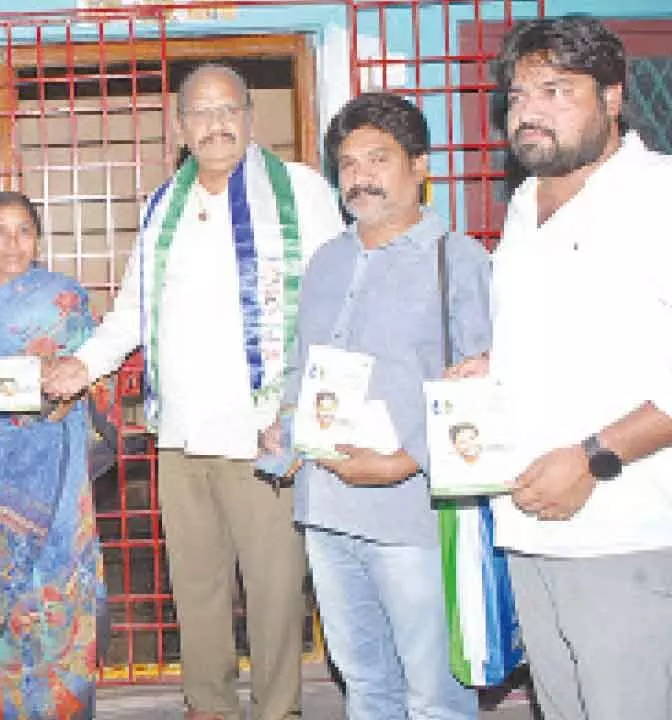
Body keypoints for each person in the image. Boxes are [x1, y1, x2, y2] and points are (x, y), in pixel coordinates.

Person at [45, 63, 344, 720]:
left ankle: (277, 711)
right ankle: (207, 708)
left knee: (273, 594)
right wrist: (80, 365)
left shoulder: (300, 192)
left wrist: (304, 412)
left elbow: (334, 306)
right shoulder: (162, 208)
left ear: (249, 117)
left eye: (227, 110)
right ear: (181, 127)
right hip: (180, 438)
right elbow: (130, 314)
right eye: (200, 114)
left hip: (266, 435)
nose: (215, 125)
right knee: (197, 592)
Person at [447, 17, 672, 719]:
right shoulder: (524, 204)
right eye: (517, 96)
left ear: (611, 96)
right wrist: (494, 365)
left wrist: (595, 457)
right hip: (529, 524)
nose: (530, 110)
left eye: (555, 89)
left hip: (623, 531)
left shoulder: (658, 196)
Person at [276, 92, 487, 719]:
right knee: (365, 685)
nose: (359, 177)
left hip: (412, 515)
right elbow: (302, 367)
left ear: (419, 166)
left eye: (377, 159)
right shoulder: (326, 261)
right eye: (347, 164)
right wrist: (284, 432)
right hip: (326, 509)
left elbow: (481, 387)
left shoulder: (458, 260)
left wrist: (405, 461)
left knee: (434, 694)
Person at [0, 192, 105, 718]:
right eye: (0, 232)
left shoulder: (64, 298)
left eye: (24, 231)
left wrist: (68, 396)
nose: (12, 243)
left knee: (55, 582)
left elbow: (92, 372)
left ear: (38, 238)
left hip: (54, 460)